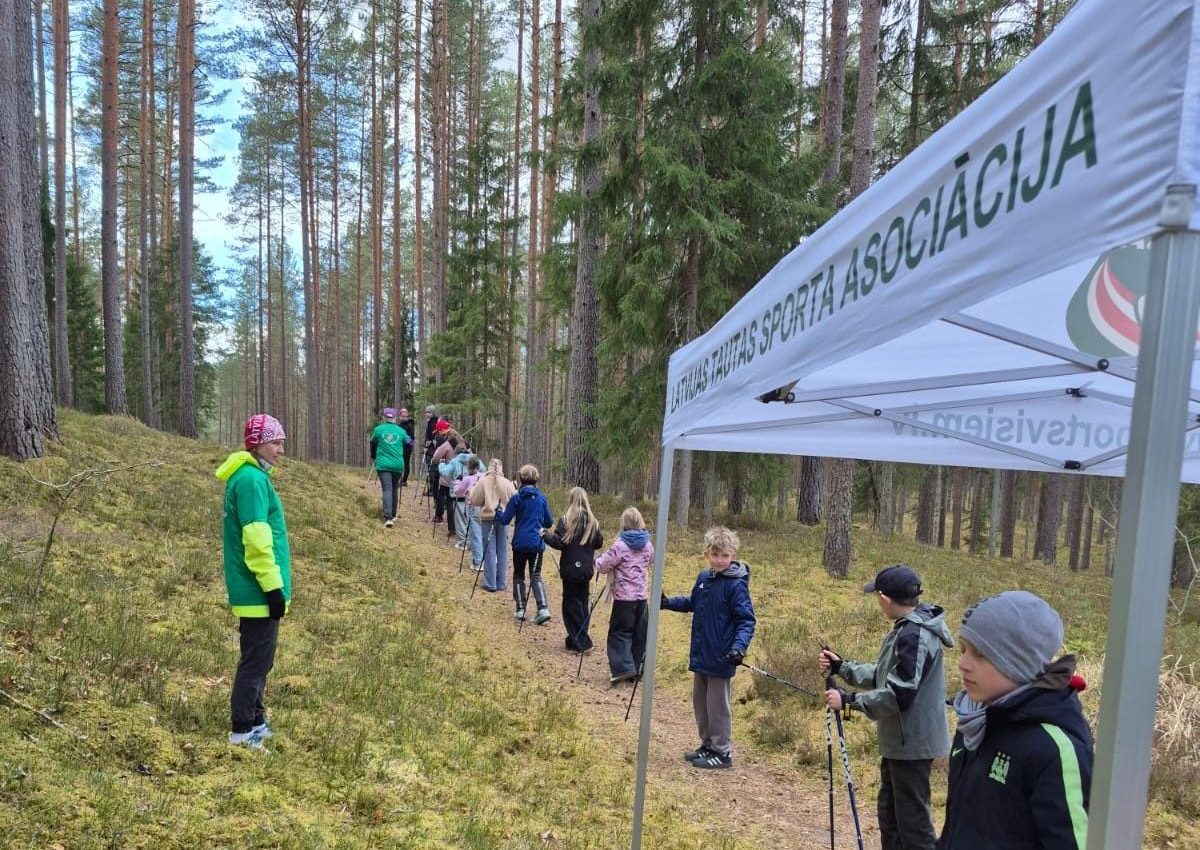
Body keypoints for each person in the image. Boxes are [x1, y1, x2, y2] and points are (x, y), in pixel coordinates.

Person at [939, 591, 1092, 850]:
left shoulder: (1053, 747)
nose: (963, 663)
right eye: (964, 649)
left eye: (981, 654)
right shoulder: (974, 721)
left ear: (1018, 662)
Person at [818, 564, 953, 850]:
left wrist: (850, 702)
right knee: (891, 818)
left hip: (912, 744)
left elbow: (898, 694)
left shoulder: (914, 634)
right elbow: (884, 673)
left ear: (885, 599)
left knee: (913, 825)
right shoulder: (906, 629)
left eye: (877, 597)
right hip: (900, 741)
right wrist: (843, 668)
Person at [215, 414, 293, 750]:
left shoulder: (252, 477)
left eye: (282, 443)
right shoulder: (250, 481)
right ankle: (242, 731)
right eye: (276, 442)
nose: (281, 450)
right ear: (257, 443)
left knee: (262, 659)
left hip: (257, 587)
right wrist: (272, 587)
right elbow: (256, 538)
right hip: (257, 589)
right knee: (255, 662)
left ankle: (257, 720)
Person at [661, 525, 755, 770]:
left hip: (722, 657)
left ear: (733, 555)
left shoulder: (736, 585)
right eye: (715, 555)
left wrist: (738, 649)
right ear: (707, 554)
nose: (720, 560)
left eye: (725, 555)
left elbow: (746, 621)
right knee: (701, 703)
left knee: (717, 706)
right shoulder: (704, 579)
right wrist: (668, 602)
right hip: (702, 653)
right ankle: (707, 744)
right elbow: (693, 602)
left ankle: (722, 752)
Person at [543, 487, 604, 652]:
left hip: (570, 570)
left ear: (571, 500)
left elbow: (559, 542)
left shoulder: (566, 520)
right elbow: (599, 543)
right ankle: (574, 639)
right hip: (585, 570)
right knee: (582, 604)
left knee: (570, 607)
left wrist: (545, 535)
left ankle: (583, 643)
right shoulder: (593, 522)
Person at [496, 464, 554, 624]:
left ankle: (520, 609)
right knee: (536, 575)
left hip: (520, 543)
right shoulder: (542, 498)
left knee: (519, 575)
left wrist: (498, 512)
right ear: (536, 479)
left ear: (521, 479)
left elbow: (505, 520)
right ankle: (543, 608)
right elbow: (549, 522)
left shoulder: (516, 498)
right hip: (537, 543)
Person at [469, 458, 517, 592]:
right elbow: (515, 498)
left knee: (489, 549)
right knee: (502, 549)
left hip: (487, 518)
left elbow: (474, 500)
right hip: (503, 518)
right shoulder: (507, 483)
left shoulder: (483, 481)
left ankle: (490, 582)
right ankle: (501, 582)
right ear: (501, 468)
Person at [369, 407, 412, 528]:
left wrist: (373, 456)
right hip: (398, 464)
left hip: (383, 464)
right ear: (394, 418)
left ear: (384, 417)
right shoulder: (401, 431)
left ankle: (388, 517)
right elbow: (410, 443)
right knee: (394, 488)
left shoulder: (378, 429)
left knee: (387, 488)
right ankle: (393, 515)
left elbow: (372, 443)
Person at [439, 440, 474, 549]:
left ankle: (463, 542)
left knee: (459, 520)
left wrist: (441, 464)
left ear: (456, 452)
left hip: (458, 495)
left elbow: (444, 472)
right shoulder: (474, 460)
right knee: (470, 519)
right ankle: (471, 542)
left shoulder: (455, 461)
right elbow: (483, 470)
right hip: (472, 496)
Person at [453, 456, 485, 568]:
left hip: (473, 506)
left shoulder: (467, 479)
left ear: (469, 467)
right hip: (485, 507)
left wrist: (457, 480)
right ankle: (486, 560)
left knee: (475, 535)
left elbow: (457, 491)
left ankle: (478, 562)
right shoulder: (484, 476)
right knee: (484, 534)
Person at [430, 431, 458, 526]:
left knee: (443, 496)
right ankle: (456, 523)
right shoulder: (463, 445)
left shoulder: (446, 445)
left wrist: (440, 463)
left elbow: (435, 457)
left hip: (447, 475)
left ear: (448, 436)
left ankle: (439, 516)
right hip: (460, 476)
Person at [397, 407, 415, 486]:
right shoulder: (398, 425)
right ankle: (398, 479)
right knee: (398, 462)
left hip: (407, 447)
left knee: (406, 463)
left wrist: (409, 444)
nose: (404, 417)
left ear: (408, 416)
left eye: (405, 416)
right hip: (399, 447)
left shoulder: (410, 425)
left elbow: (411, 438)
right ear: (399, 417)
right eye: (402, 416)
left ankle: (404, 480)